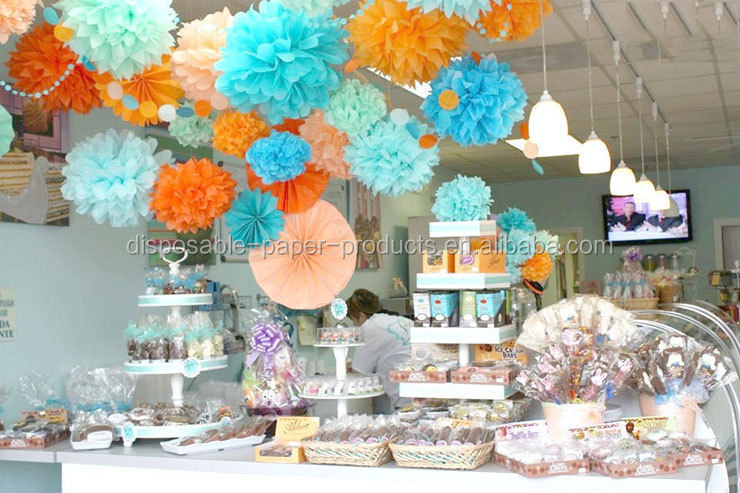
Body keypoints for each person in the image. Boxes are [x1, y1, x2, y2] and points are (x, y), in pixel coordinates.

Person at [347, 289, 411, 412]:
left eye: (354, 320)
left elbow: (359, 372)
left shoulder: (370, 328)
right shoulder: (400, 320)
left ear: (361, 315)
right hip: (430, 382)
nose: (355, 325)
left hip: (406, 396)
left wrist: (349, 368)